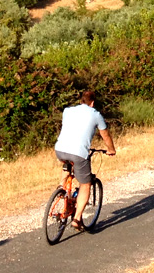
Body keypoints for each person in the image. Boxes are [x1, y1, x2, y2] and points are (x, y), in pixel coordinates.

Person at [54, 90, 116, 229]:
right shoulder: (96, 115)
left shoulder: (67, 111)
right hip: (78, 153)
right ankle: (76, 219)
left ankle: (61, 191)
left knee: (68, 165)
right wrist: (111, 149)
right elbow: (105, 134)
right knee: (86, 184)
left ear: (81, 100)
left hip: (60, 149)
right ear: (92, 103)